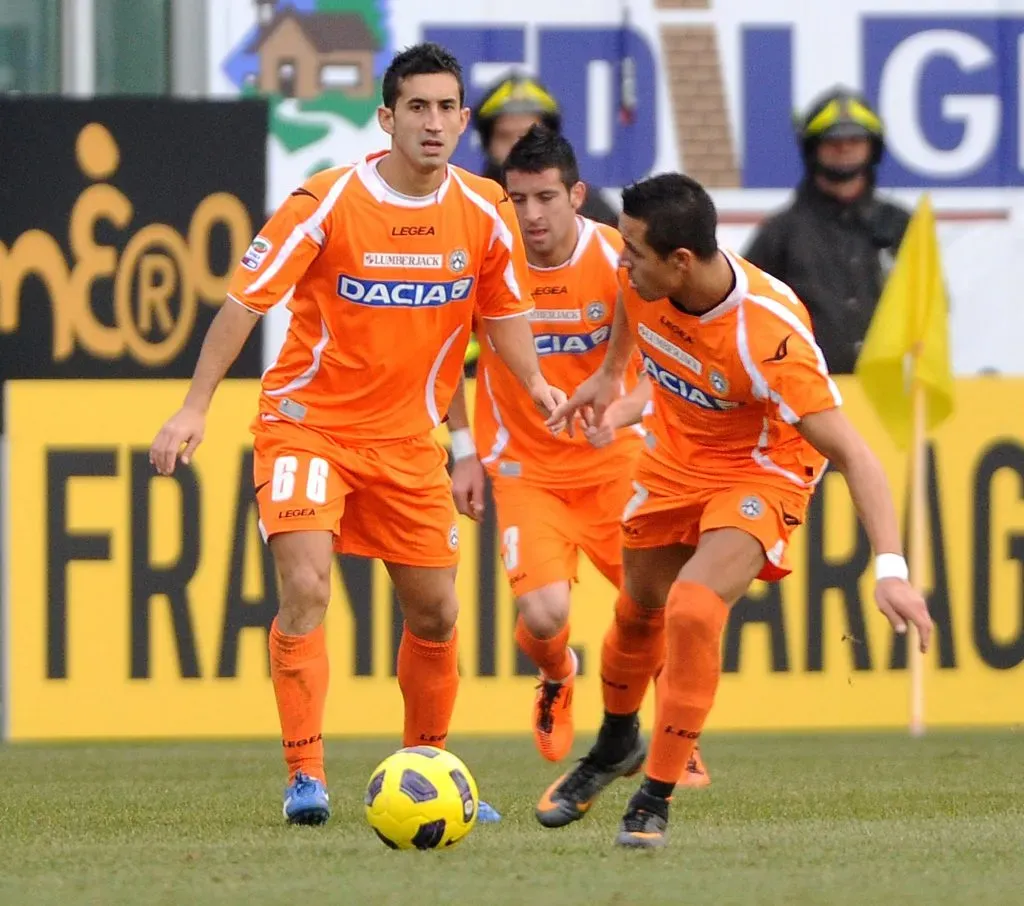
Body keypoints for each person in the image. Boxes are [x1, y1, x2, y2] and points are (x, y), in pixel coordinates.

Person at [148, 42, 564, 827]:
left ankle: (429, 768)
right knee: (306, 586)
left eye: (446, 108)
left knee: (436, 614)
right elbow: (243, 303)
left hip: (409, 443)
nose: (433, 123)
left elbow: (503, 316)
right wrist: (194, 406)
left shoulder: (484, 212)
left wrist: (538, 383)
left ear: (464, 120)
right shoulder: (328, 201)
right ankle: (305, 776)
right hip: (310, 428)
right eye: (417, 107)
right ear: (387, 117)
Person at [537, 172, 933, 849]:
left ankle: (654, 794)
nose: (622, 261)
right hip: (672, 459)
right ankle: (613, 746)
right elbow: (632, 309)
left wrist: (891, 569)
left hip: (761, 468)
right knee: (637, 613)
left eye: (634, 251)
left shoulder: (771, 337)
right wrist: (610, 378)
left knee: (693, 608)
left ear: (681, 261)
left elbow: (857, 456)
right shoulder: (643, 278)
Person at [444, 125, 711, 787]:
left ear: (577, 195)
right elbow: (442, 360)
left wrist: (621, 411)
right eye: (518, 200)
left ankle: (677, 737)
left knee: (663, 608)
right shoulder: (487, 262)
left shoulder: (622, 262)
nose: (531, 215)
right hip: (524, 470)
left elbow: (671, 361)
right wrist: (463, 452)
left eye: (545, 198)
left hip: (616, 462)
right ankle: (557, 673)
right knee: (544, 616)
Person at [743, 87, 911, 374]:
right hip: (808, 394)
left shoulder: (901, 224)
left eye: (855, 139)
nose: (844, 148)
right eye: (832, 140)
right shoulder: (781, 232)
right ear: (812, 149)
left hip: (890, 397)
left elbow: (929, 304)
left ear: (873, 147)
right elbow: (747, 310)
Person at [472, 72, 619, 227]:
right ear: (487, 144)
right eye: (505, 137)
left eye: (527, 135)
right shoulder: (469, 206)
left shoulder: (593, 212)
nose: (517, 147)